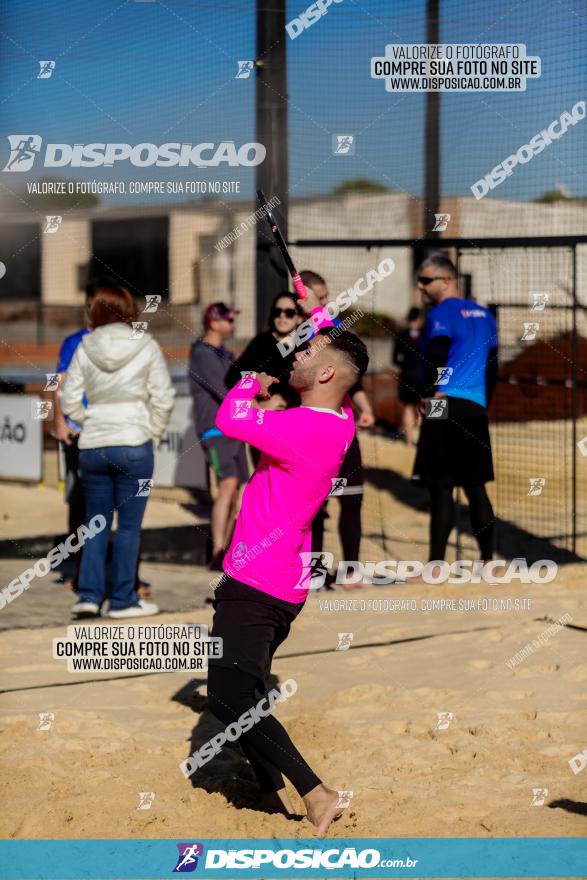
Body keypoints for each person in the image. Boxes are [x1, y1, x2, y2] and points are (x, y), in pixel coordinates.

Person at [206, 289, 369, 837]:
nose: (295, 354)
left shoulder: (300, 428)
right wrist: (315, 309)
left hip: (256, 579)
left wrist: (254, 379)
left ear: (325, 375)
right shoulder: (339, 422)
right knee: (244, 693)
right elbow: (340, 352)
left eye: (306, 352)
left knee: (228, 696)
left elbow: (230, 417)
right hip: (282, 583)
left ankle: (316, 792)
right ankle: (272, 794)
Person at [61, 285, 175, 618]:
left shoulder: (84, 345)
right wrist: (150, 432)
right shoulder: (146, 345)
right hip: (134, 442)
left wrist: (90, 421)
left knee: (94, 523)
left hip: (94, 445)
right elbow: (164, 398)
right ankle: (123, 599)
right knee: (128, 527)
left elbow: (68, 399)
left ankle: (89, 596)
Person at [412, 254, 498, 563]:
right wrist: (483, 401)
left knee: (441, 487)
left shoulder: (440, 313)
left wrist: (431, 395)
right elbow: (493, 366)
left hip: (443, 404)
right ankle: (488, 561)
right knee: (476, 487)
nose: (420, 286)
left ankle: (435, 566)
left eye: (426, 280)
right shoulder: (485, 314)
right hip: (475, 405)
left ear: (447, 280)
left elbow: (437, 355)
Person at [299, 270, 374, 581]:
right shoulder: (297, 336)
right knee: (313, 509)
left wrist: (365, 409)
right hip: (307, 433)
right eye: (322, 296)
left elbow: (348, 367)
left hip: (341, 430)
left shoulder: (329, 331)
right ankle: (312, 572)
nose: (329, 302)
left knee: (352, 499)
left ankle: (351, 569)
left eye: (328, 296)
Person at [189, 302, 248, 570]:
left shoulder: (223, 352)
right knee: (227, 486)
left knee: (235, 490)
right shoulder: (203, 354)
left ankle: (226, 549)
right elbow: (227, 389)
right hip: (216, 430)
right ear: (213, 322)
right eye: (229, 320)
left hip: (233, 429)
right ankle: (217, 552)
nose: (233, 325)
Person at [225, 291, 303, 465]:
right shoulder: (261, 342)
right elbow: (232, 378)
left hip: (296, 429)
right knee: (266, 483)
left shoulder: (306, 346)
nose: (282, 317)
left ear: (299, 318)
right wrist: (259, 406)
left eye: (289, 313)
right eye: (277, 311)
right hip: (265, 428)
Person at [392, 306, 426, 447]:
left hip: (407, 377)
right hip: (424, 378)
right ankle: (422, 439)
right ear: (420, 319)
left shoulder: (401, 336)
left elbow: (394, 360)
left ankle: (410, 442)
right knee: (426, 407)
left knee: (408, 407)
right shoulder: (427, 336)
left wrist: (406, 365)